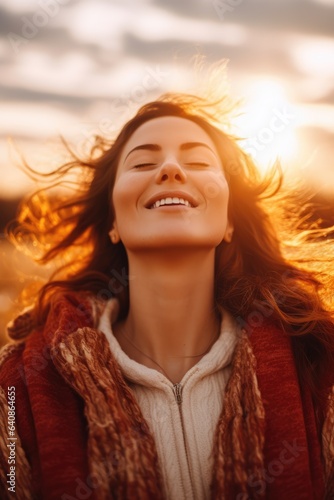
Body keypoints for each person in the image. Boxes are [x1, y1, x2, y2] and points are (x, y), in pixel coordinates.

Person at [0, 89, 333, 500]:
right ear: (113, 223)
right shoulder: (15, 389)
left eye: (196, 161)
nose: (172, 169)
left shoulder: (319, 361)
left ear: (230, 221)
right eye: (142, 162)